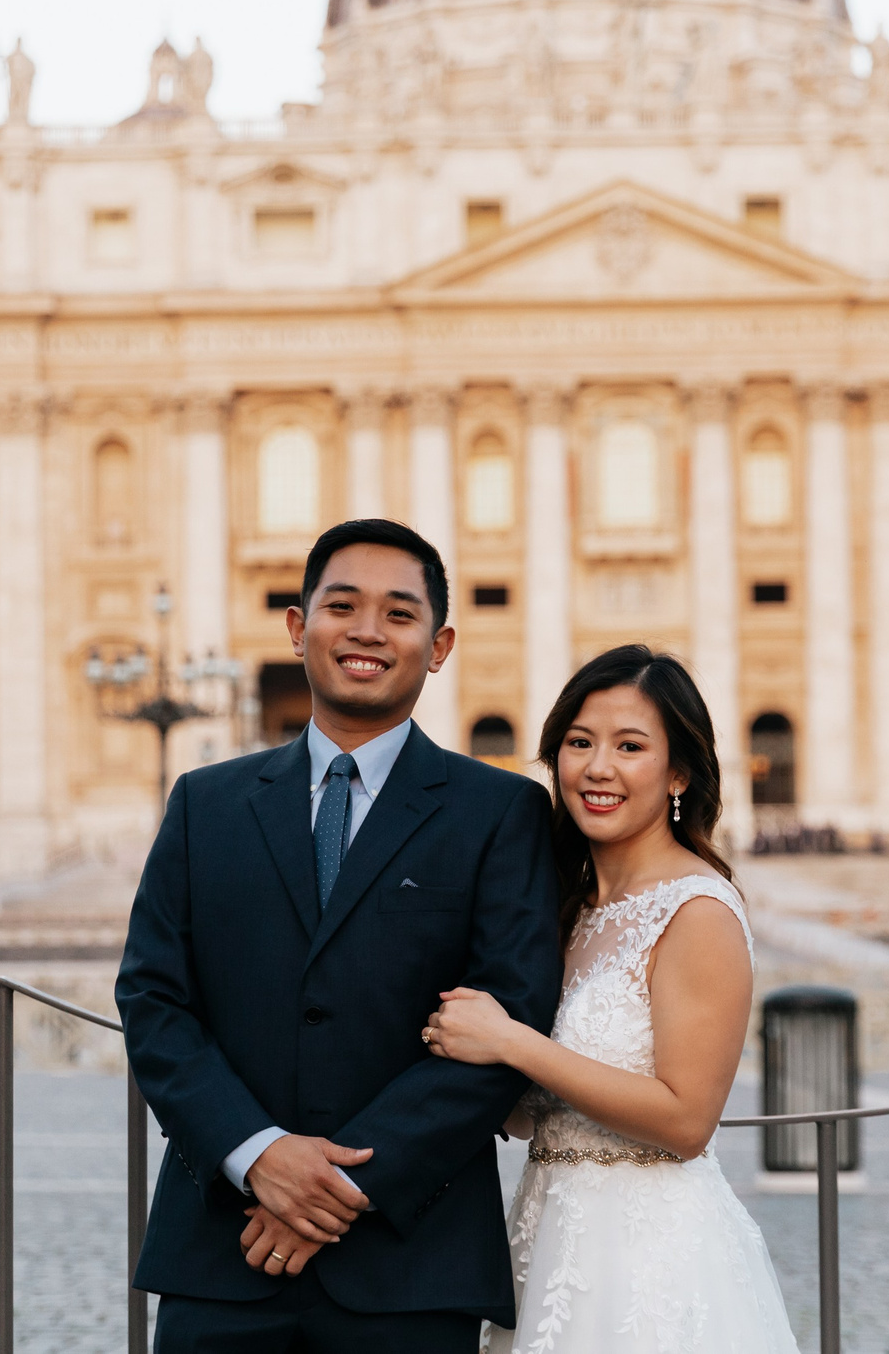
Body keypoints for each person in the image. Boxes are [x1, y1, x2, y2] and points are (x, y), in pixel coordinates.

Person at [118, 519, 562, 1354]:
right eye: (343, 605)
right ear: (297, 628)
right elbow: (152, 999)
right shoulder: (202, 804)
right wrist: (256, 1155)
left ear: (439, 645)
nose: (367, 631)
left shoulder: (500, 813)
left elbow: (512, 1015)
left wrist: (335, 1184)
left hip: (409, 1260)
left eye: (399, 613)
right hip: (222, 1248)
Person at [423, 645, 797, 1354]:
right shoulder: (567, 909)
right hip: (548, 1229)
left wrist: (511, 1041)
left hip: (650, 1255)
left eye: (630, 745)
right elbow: (542, 1114)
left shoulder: (697, 910)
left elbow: (688, 1120)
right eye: (578, 742)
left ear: (678, 770)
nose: (598, 767)